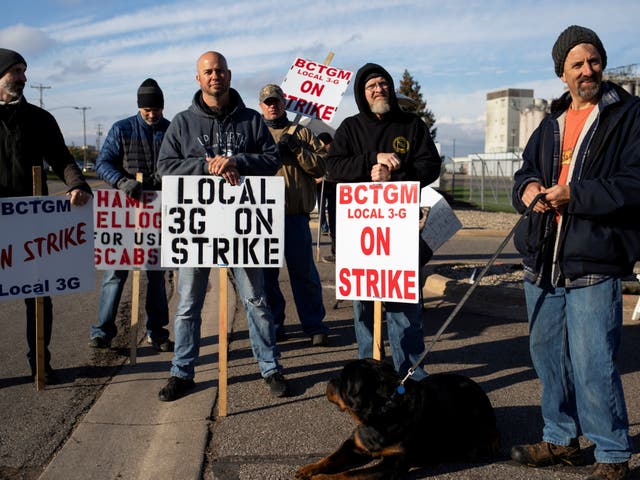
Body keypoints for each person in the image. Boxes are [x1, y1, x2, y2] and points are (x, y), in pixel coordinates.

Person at [509, 26, 638, 480]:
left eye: (594, 60)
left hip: (593, 258)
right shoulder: (550, 123)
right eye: (577, 64)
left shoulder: (628, 116)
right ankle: (561, 439)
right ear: (561, 73)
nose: (588, 70)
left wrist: (575, 196)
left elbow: (633, 185)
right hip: (542, 259)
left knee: (593, 363)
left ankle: (613, 454)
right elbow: (523, 172)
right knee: (548, 359)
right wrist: (525, 190)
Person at [156, 51, 287, 401]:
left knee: (256, 300)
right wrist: (207, 166)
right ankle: (182, 371)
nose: (215, 76)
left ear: (230, 75)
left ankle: (270, 367)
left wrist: (237, 161)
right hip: (196, 232)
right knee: (188, 304)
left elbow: (273, 159)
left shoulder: (251, 120)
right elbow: (165, 168)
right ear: (198, 78)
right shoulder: (182, 123)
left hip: (242, 230)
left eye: (220, 71)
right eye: (208, 71)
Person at [325, 63, 441, 380]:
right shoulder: (350, 128)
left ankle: (409, 372)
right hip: (359, 234)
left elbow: (430, 165)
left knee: (404, 304)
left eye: (383, 83)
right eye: (372, 85)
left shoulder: (411, 125)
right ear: (362, 94)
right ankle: (370, 369)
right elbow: (334, 168)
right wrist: (370, 162)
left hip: (400, 232)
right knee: (364, 307)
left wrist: (397, 174)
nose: (379, 89)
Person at [0, 48, 92, 384]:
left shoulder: (39, 118)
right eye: (16, 72)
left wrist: (77, 185)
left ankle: (39, 361)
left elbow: (62, 158)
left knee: (39, 294)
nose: (23, 78)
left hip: (32, 223)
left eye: (24, 71)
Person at [89, 78, 173, 352]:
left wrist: (168, 173)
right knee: (115, 272)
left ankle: (157, 332)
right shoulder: (121, 129)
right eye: (147, 109)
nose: (152, 114)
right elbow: (103, 163)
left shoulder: (170, 130)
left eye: (157, 108)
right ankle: (102, 330)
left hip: (158, 209)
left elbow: (181, 161)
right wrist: (121, 181)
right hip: (124, 209)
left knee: (157, 275)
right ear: (139, 107)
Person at [258, 84, 330, 346]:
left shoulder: (301, 133)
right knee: (266, 277)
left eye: (276, 101)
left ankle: (314, 325)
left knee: (304, 274)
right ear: (261, 106)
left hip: (296, 216)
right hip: (263, 217)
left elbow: (322, 166)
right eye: (267, 102)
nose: (272, 105)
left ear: (283, 102)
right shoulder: (255, 133)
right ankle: (275, 324)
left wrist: (298, 150)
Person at [316, 132, 338, 264]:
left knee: (335, 220)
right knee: (321, 212)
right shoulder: (320, 152)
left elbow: (336, 169)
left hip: (334, 187)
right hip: (322, 188)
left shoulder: (337, 152)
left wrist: (325, 176)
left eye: (323, 144)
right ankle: (324, 227)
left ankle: (336, 251)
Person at [315, 132, 332, 236]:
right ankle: (324, 227)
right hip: (319, 186)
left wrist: (325, 177)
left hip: (331, 184)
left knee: (332, 208)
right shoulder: (317, 153)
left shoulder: (335, 153)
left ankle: (333, 226)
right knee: (321, 208)